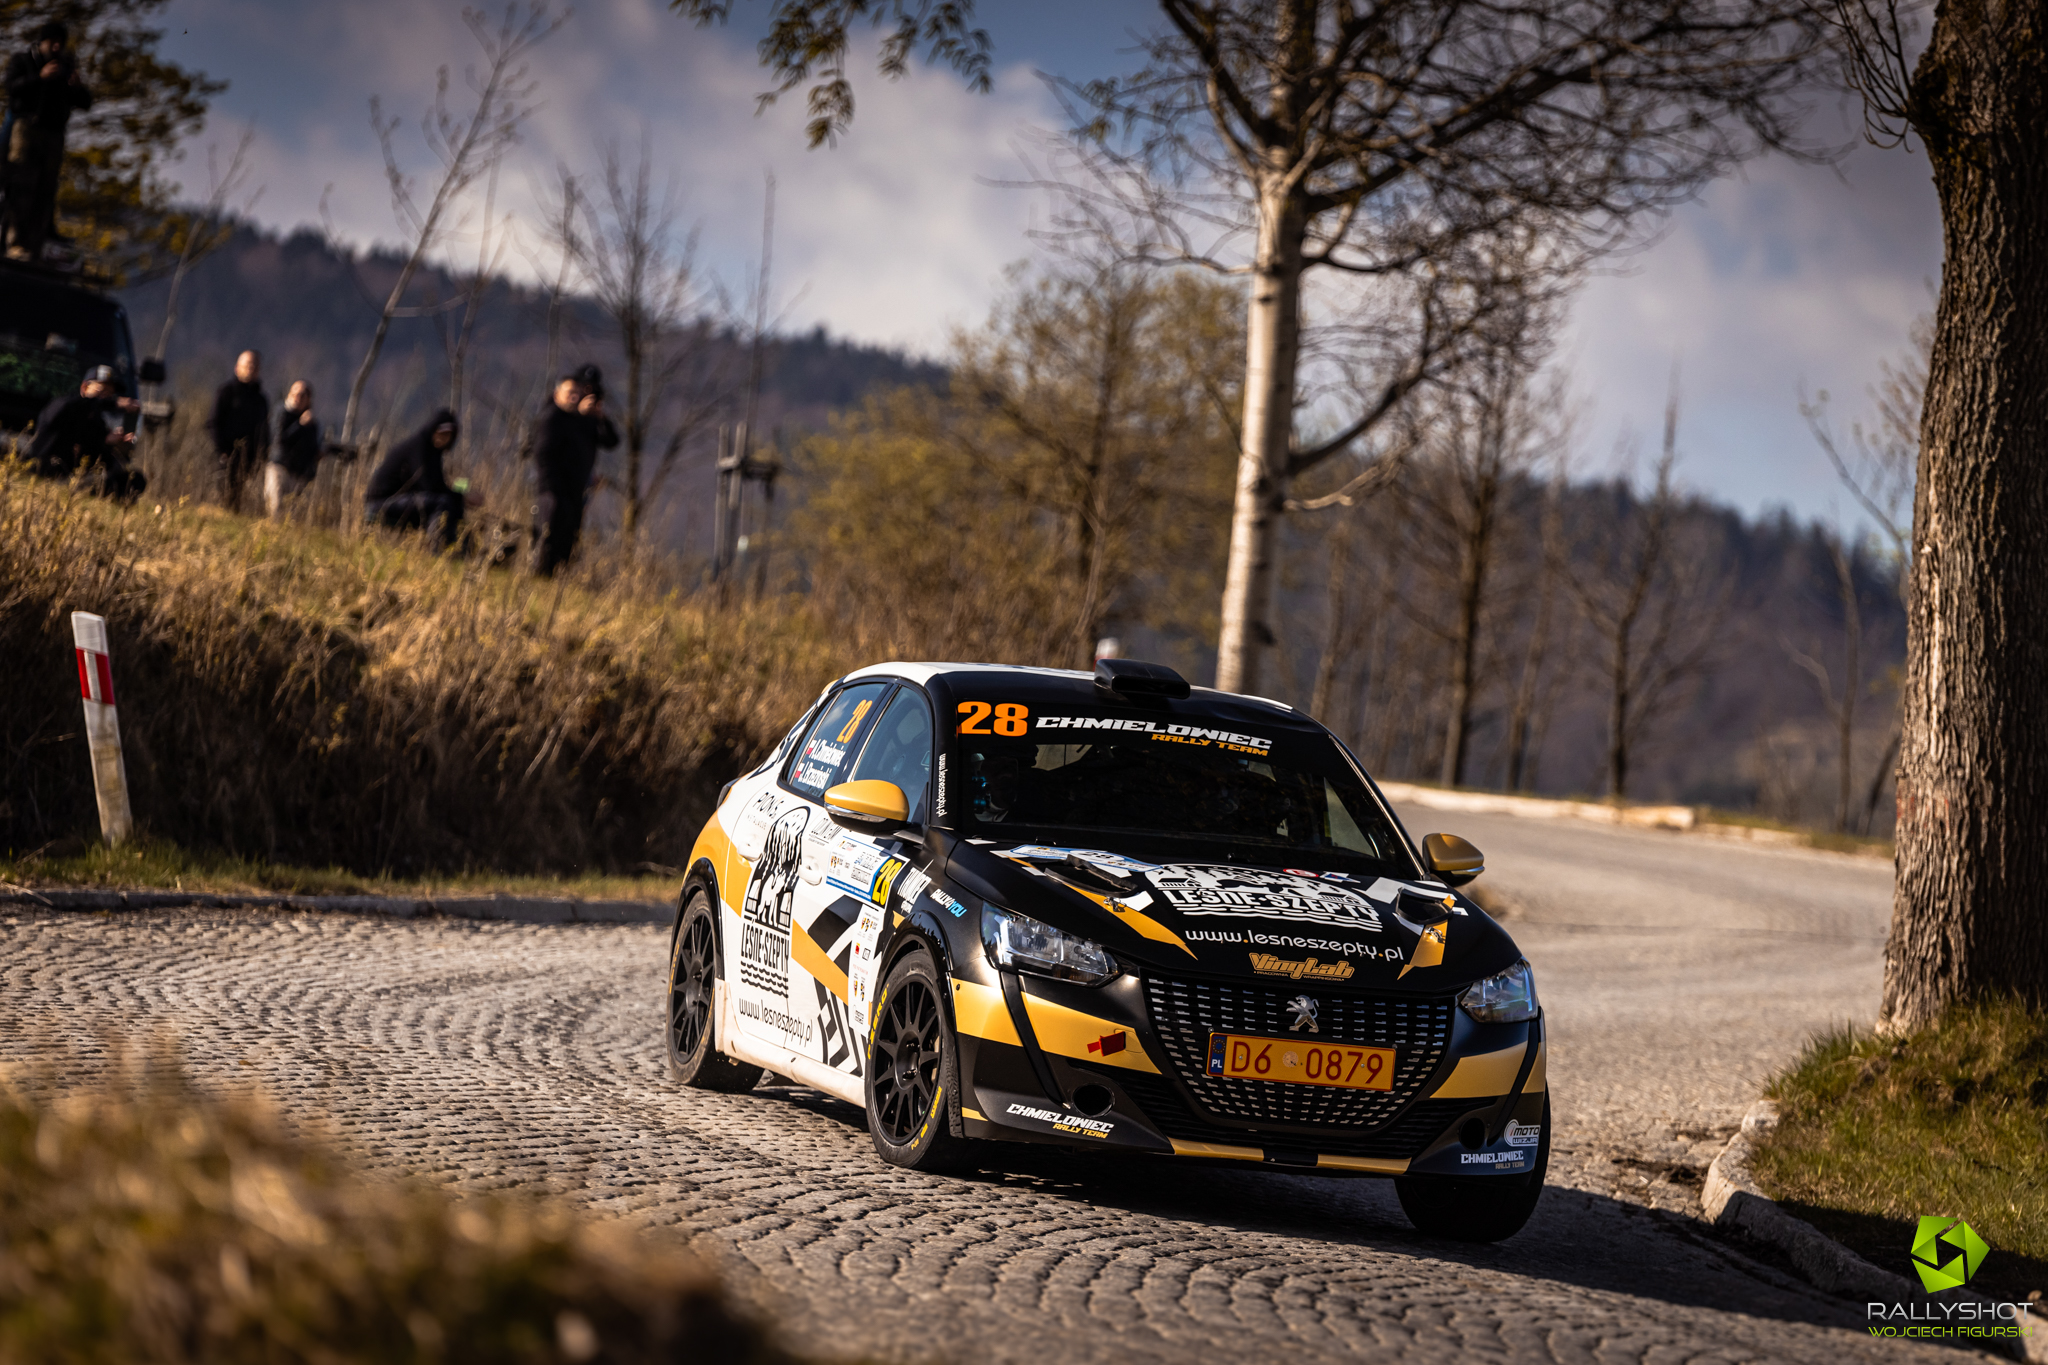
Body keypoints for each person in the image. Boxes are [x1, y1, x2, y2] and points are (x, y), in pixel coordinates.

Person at [2, 22, 89, 261]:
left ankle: (35, 248)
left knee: (45, 192)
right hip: (26, 130)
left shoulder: (66, 67)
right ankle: (14, 244)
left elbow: (85, 102)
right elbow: (12, 88)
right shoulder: (24, 61)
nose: (57, 47)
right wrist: (39, 78)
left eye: (61, 43)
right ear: (42, 42)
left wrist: (76, 87)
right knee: (21, 187)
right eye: (53, 42)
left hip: (54, 135)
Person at [528, 363, 617, 576]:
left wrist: (599, 417)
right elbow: (544, 454)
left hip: (576, 487)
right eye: (576, 391)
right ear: (558, 394)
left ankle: (560, 576)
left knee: (570, 534)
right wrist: (552, 486)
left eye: (585, 392)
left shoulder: (586, 420)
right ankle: (541, 574)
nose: (579, 396)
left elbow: (611, 441)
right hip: (554, 487)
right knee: (550, 532)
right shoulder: (554, 416)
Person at [25, 365, 146, 501]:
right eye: (101, 390)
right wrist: (115, 403)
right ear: (84, 387)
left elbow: (98, 457)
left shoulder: (95, 420)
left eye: (109, 394)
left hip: (74, 478)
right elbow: (73, 409)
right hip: (47, 472)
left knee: (135, 480)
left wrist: (114, 443)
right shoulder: (64, 405)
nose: (105, 397)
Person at [364, 408, 465, 550]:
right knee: (442, 503)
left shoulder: (433, 452)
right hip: (381, 503)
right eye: (441, 433)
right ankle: (438, 551)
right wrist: (462, 496)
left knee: (452, 503)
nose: (443, 438)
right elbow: (428, 486)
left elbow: (436, 486)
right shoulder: (419, 446)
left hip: (400, 500)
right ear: (433, 429)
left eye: (448, 435)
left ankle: (457, 550)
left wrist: (459, 497)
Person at [208, 350, 269, 513]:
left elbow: (264, 430)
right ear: (237, 368)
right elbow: (213, 423)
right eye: (247, 365)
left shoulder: (261, 400)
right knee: (222, 498)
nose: (251, 368)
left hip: (250, 460)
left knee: (238, 501)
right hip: (225, 457)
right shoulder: (226, 392)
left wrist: (261, 455)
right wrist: (222, 451)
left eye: (255, 366)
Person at [265, 379, 321, 518]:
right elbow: (280, 439)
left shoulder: (311, 422)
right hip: (279, 468)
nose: (297, 397)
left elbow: (312, 448)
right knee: (276, 509)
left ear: (308, 399)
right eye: (294, 393)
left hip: (299, 474)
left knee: (293, 515)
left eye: (302, 395)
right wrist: (300, 425)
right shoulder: (281, 413)